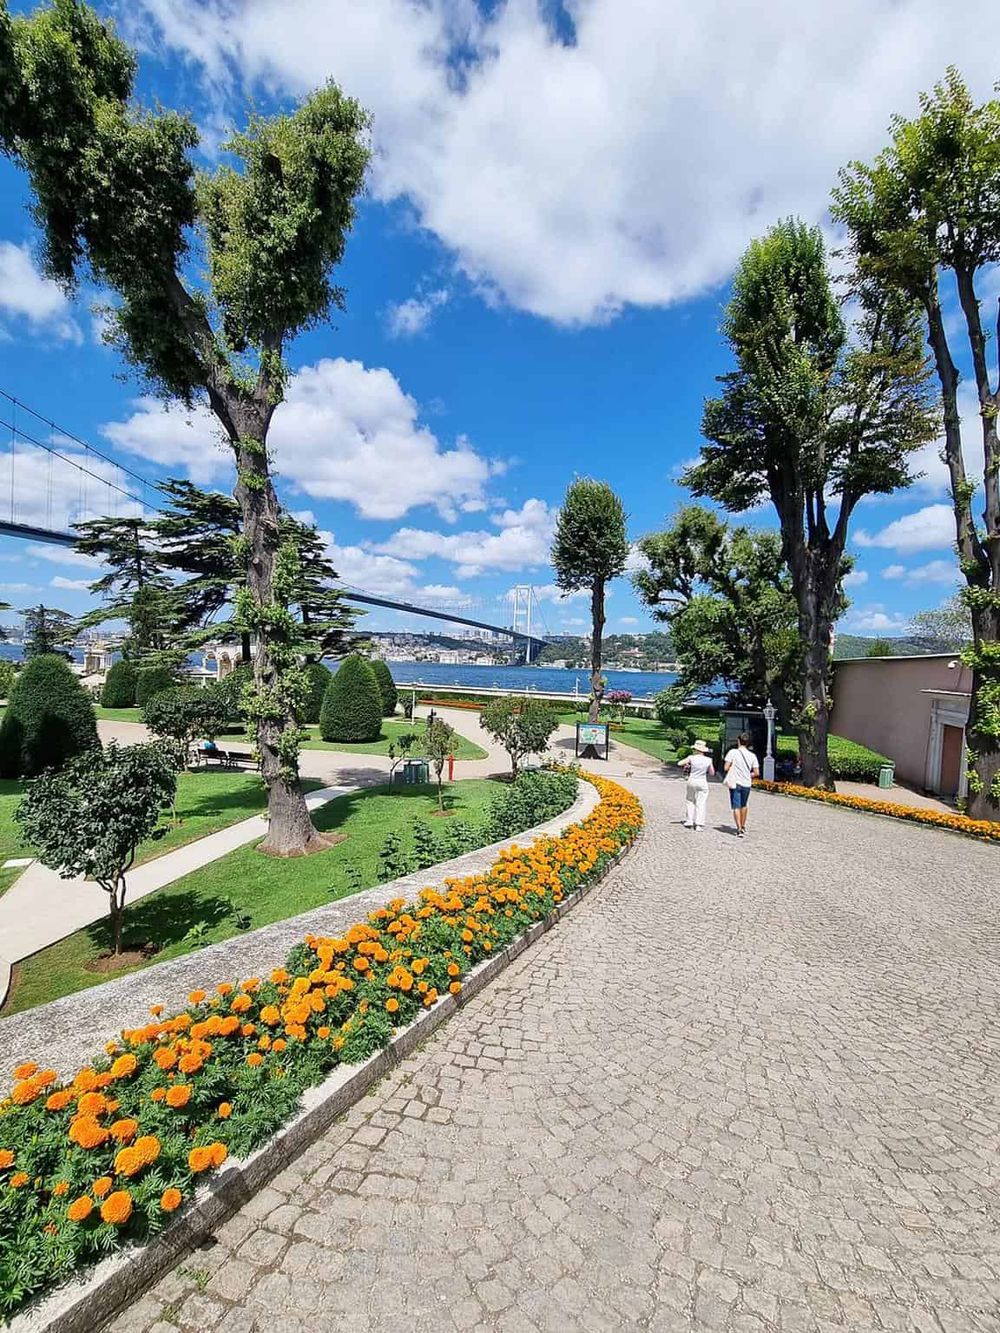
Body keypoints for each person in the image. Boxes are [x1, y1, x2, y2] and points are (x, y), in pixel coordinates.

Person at [724, 731, 759, 838]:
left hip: (736, 782)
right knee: (744, 805)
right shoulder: (752, 756)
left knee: (736, 806)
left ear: (738, 741)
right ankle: (743, 826)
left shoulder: (733, 752)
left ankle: (738, 828)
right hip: (746, 783)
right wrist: (747, 774)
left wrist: (734, 770)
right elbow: (757, 773)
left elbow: (726, 767)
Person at [677, 739, 714, 831]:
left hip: (692, 780)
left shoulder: (691, 758)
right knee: (701, 803)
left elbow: (679, 763)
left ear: (696, 749)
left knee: (690, 800)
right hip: (702, 781)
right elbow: (712, 773)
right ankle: (699, 824)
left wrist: (688, 764)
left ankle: (689, 820)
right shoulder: (708, 760)